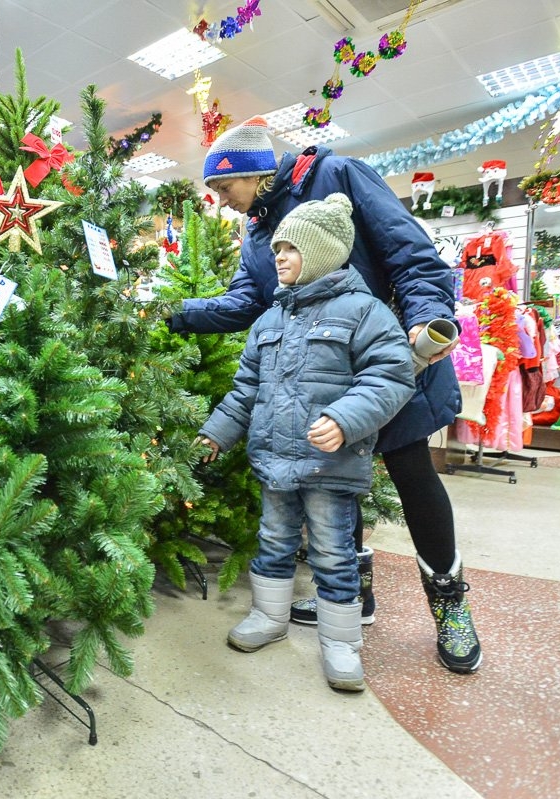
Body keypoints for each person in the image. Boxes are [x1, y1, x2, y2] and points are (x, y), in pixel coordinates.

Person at [169, 115, 483, 674]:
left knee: (412, 476)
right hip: (318, 380)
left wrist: (427, 321)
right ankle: (355, 597)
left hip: (389, 361)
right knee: (333, 479)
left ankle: (450, 606)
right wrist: (171, 315)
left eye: (223, 188)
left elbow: (411, 257)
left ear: (254, 171)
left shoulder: (339, 175)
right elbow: (248, 302)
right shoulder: (259, 230)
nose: (220, 202)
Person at [197, 193, 415, 692]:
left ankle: (341, 642)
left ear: (321, 253)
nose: (279, 257)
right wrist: (215, 434)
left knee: (333, 552)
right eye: (277, 249)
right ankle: (269, 617)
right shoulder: (268, 322)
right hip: (274, 461)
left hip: (329, 465)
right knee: (273, 542)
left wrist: (344, 418)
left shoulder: (364, 312)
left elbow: (391, 375)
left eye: (291, 248)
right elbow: (244, 391)